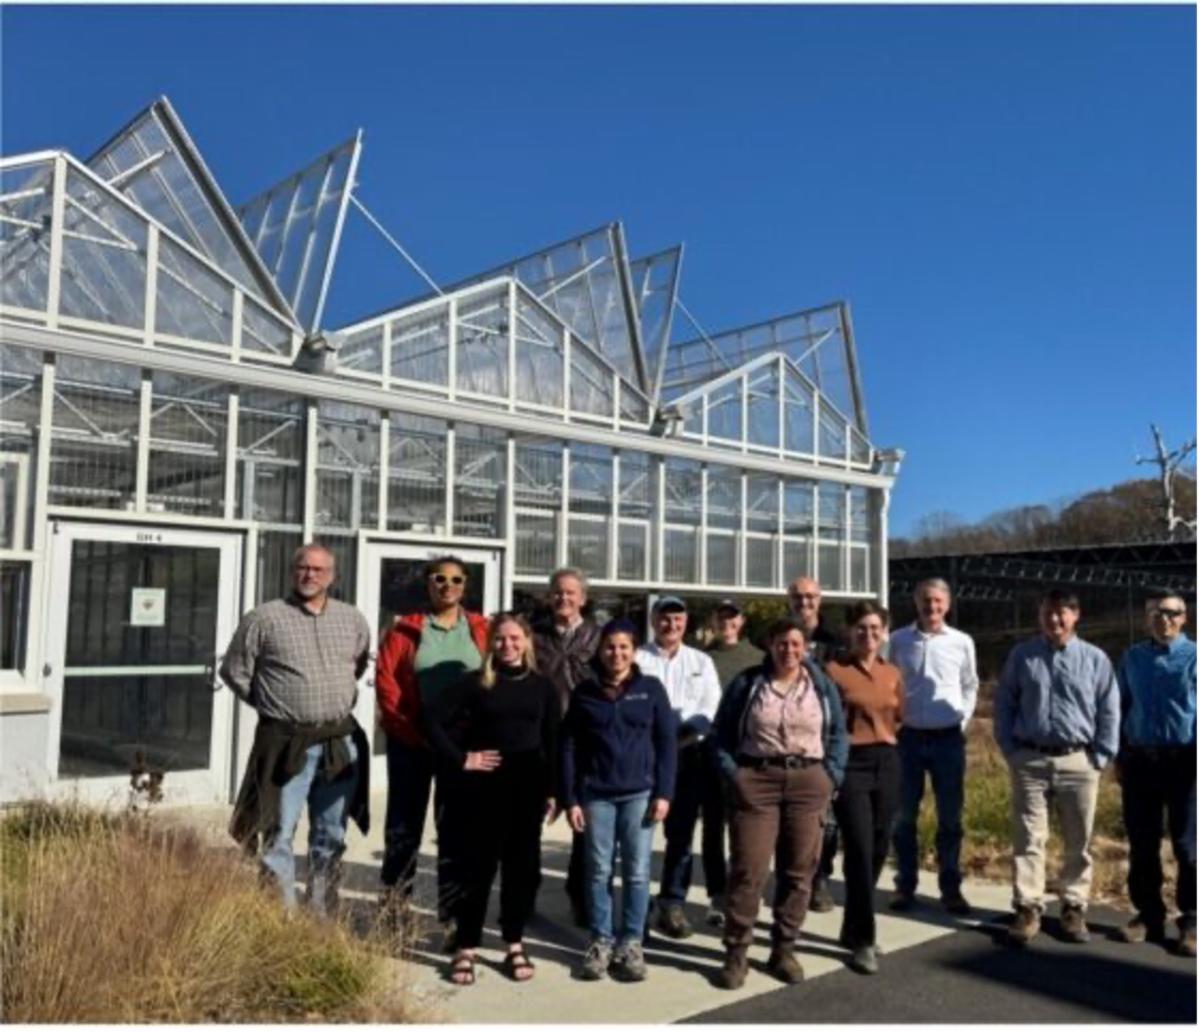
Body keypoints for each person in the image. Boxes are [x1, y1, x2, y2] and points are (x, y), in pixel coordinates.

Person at [223, 543, 371, 916]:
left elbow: (356, 667)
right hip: (285, 744)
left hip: (338, 742)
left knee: (331, 833)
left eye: (318, 570)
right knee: (278, 832)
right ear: (292, 572)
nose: (310, 575)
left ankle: (320, 914)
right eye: (303, 567)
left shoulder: (352, 620)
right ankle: (281, 919)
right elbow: (235, 671)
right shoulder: (264, 618)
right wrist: (272, 705)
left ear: (332, 577)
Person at [713, 617, 848, 990]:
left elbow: (839, 732)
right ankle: (736, 952)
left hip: (808, 782)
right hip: (757, 780)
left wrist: (831, 775)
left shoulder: (821, 684)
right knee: (748, 869)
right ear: (770, 645)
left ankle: (784, 948)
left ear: (805, 647)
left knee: (799, 872)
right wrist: (735, 775)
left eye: (796, 643)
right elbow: (721, 733)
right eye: (782, 643)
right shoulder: (748, 683)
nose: (789, 650)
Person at [425, 613, 561, 986]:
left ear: (527, 641)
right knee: (477, 870)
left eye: (515, 638)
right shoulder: (474, 683)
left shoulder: (543, 688)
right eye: (500, 638)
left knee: (520, 871)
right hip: (484, 788)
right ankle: (467, 946)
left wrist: (554, 791)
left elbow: (553, 741)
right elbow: (431, 720)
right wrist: (462, 758)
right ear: (490, 643)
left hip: (528, 788)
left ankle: (514, 943)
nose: (507, 645)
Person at [994, 589, 1120, 946]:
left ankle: (1074, 905)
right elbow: (1004, 703)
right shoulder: (1023, 656)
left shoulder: (1095, 659)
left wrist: (1100, 756)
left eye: (1062, 612)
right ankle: (1028, 906)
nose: (1054, 619)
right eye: (1048, 612)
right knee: (1029, 838)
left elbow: (1109, 708)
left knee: (1079, 839)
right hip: (1030, 759)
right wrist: (1011, 750)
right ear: (1040, 616)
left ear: (1075, 615)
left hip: (1079, 761)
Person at [375, 556, 490, 943]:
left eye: (456, 579)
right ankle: (394, 910)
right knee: (403, 829)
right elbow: (388, 685)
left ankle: (453, 916)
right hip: (412, 744)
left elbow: (493, 679)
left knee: (455, 831)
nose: (447, 586)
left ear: (465, 585)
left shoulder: (481, 629)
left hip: (459, 749)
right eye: (439, 579)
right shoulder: (405, 629)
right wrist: (412, 732)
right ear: (428, 584)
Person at [561, 619, 677, 982]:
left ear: (634, 650)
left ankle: (631, 943)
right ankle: (601, 940)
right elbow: (568, 746)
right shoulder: (585, 692)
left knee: (637, 871)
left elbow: (666, 743)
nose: (616, 653)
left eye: (624, 646)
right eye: (610, 646)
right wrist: (571, 798)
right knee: (598, 870)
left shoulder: (651, 689)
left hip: (639, 794)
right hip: (596, 794)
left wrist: (664, 793)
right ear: (600, 650)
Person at [888, 577, 978, 915]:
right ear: (916, 602)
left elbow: (970, 684)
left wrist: (961, 719)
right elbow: (888, 682)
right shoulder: (898, 640)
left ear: (948, 604)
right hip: (908, 740)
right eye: (926, 600)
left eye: (938, 601)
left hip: (947, 740)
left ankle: (950, 888)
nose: (932, 607)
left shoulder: (961, 642)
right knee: (903, 817)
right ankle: (905, 885)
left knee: (950, 818)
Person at [824, 602, 904, 975]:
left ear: (885, 632)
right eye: (861, 627)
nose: (868, 635)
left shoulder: (892, 673)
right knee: (858, 847)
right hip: (851, 764)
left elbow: (899, 716)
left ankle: (852, 922)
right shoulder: (834, 671)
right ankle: (864, 939)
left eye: (875, 628)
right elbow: (826, 722)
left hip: (886, 761)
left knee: (879, 845)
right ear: (849, 631)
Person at [636, 596, 723, 940]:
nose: (671, 625)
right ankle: (638, 905)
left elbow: (710, 704)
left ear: (685, 623)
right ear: (654, 620)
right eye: (665, 618)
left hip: (688, 754)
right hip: (644, 754)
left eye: (678, 619)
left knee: (681, 835)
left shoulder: (701, 661)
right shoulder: (638, 658)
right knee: (638, 832)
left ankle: (672, 902)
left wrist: (685, 727)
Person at [1115, 590, 1196, 956]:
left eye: (1172, 612)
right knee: (1142, 842)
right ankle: (1149, 914)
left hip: (1185, 761)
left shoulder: (1194, 657)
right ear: (1147, 618)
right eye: (1156, 613)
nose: (1164, 619)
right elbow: (1119, 706)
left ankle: (1192, 919)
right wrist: (1119, 754)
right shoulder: (1132, 658)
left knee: (1188, 845)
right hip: (1140, 761)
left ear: (1184, 618)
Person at [532, 567, 602, 926]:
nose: (564, 598)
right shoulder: (534, 637)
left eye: (571, 592)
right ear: (549, 597)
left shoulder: (598, 638)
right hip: (540, 741)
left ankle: (580, 897)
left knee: (584, 826)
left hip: (584, 742)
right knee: (528, 825)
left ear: (583, 599)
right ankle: (524, 896)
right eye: (558, 592)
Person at [703, 599, 766, 926]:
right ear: (714, 621)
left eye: (732, 617)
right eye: (721, 616)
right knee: (713, 826)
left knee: (746, 829)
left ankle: (744, 891)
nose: (726, 622)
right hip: (711, 752)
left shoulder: (758, 658)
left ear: (741, 621)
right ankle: (717, 894)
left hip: (749, 755)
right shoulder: (703, 658)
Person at [787, 575, 841, 912]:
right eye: (797, 596)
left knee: (828, 822)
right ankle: (794, 880)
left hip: (824, 740)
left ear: (819, 600)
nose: (804, 602)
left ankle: (820, 878)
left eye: (810, 596)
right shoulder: (776, 636)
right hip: (786, 739)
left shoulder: (836, 640)